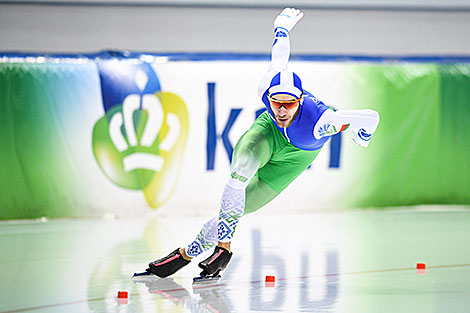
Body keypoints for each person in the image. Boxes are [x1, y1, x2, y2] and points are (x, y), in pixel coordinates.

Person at [146, 8, 380, 279]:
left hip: (296, 158)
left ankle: (187, 253)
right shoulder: (267, 88)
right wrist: (281, 28)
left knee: (239, 208)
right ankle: (223, 247)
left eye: (289, 104)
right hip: (268, 135)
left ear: (300, 100)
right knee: (240, 170)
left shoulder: (321, 122)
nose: (281, 110)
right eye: (275, 103)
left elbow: (370, 117)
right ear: (268, 97)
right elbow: (279, 57)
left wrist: (362, 136)